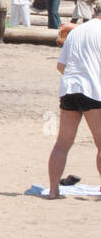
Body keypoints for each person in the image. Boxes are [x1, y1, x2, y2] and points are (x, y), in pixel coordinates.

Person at [46, 18, 101, 198]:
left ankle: (54, 190)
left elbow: (61, 66)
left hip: (69, 88)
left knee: (62, 144)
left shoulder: (76, 31)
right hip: (92, 89)